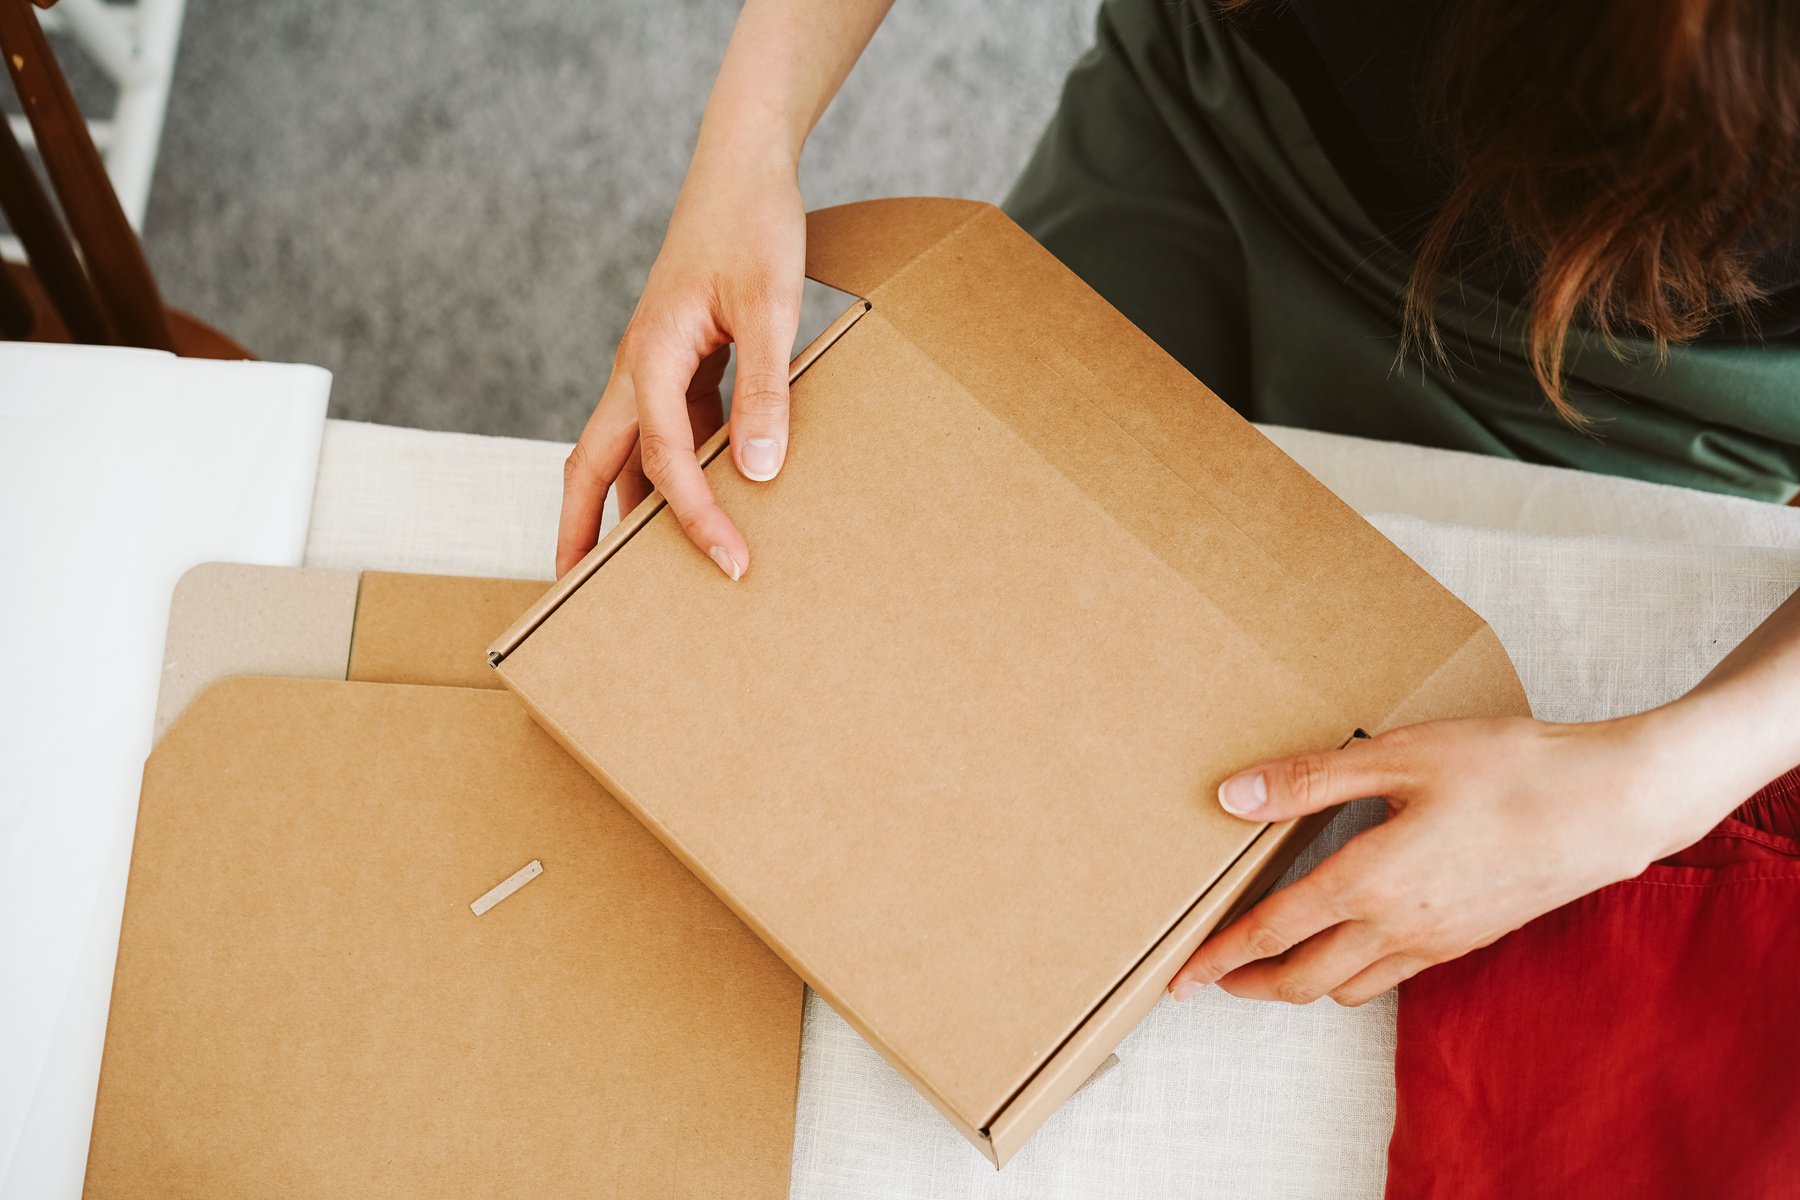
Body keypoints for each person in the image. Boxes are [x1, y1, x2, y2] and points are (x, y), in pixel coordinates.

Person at [555, 0, 1800, 1010]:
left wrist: (1658, 781)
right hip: (1222, 119)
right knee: (896, 652)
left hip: (1651, 381)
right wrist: (745, 147)